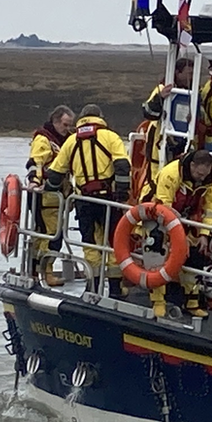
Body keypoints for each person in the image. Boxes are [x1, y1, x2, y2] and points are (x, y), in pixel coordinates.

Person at [45, 104, 131, 297]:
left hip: (83, 200)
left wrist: (47, 189)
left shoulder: (71, 141)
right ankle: (116, 289)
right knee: (113, 242)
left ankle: (93, 286)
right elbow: (123, 166)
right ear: (100, 117)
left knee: (90, 243)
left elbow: (56, 172)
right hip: (108, 200)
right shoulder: (111, 137)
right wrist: (123, 195)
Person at [145, 149, 212, 318]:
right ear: (192, 165)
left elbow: (210, 209)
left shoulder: (209, 180)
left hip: (183, 217)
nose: (201, 178)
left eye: (204, 175)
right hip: (156, 213)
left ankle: (192, 302)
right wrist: (178, 239)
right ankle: (158, 301)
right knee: (156, 249)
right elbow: (164, 208)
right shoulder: (171, 174)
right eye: (198, 174)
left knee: (196, 254)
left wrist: (204, 234)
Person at [26, 105, 74, 286]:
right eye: (65, 124)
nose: (67, 129)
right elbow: (35, 162)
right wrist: (34, 181)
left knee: (45, 236)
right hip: (44, 196)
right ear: (55, 121)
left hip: (58, 197)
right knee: (50, 236)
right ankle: (45, 272)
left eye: (70, 125)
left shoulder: (66, 140)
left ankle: (35, 271)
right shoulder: (44, 139)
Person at [141, 57, 196, 193]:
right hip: (160, 144)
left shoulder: (193, 93)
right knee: (155, 180)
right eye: (188, 73)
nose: (191, 77)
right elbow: (148, 112)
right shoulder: (162, 89)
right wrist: (160, 98)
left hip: (180, 143)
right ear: (177, 72)